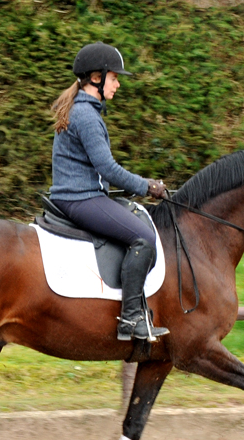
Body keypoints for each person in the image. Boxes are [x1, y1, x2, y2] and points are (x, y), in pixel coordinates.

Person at [49, 42, 169, 342]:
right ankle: (130, 319)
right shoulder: (87, 116)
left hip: (80, 194)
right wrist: (147, 186)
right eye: (114, 77)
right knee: (143, 237)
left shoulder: (82, 110)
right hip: (80, 198)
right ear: (96, 78)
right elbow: (108, 168)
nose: (117, 84)